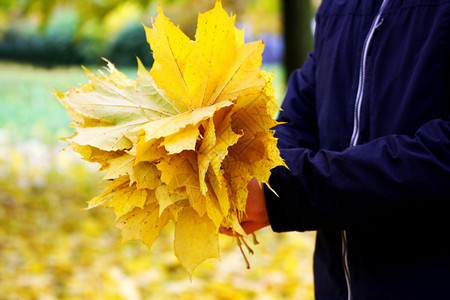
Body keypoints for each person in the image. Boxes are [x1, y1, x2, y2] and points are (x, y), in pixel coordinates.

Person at [220, 1, 450, 299]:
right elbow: (301, 117)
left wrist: (286, 193)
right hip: (338, 284)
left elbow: (440, 160)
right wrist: (253, 173)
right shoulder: (338, 5)